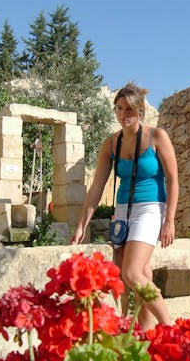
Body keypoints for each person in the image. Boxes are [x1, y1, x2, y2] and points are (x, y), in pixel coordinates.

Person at [71, 82, 178, 331]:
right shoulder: (111, 143)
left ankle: (170, 329)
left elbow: (173, 179)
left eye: (128, 109)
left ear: (139, 111)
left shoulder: (157, 136)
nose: (123, 115)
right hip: (123, 211)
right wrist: (81, 225)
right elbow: (97, 187)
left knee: (132, 273)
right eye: (119, 109)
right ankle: (147, 335)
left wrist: (169, 220)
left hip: (150, 207)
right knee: (138, 276)